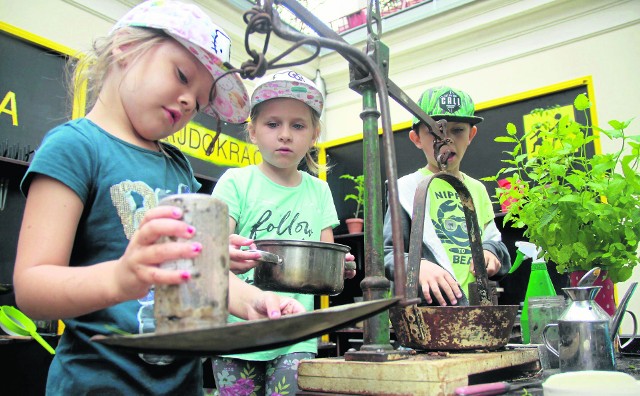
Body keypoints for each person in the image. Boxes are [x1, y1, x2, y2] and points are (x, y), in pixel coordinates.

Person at [12, 2, 305, 395]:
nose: (188, 104)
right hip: (98, 385)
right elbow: (31, 288)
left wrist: (254, 303)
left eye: (200, 103)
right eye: (181, 75)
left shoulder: (178, 167)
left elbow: (198, 279)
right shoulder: (75, 148)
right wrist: (120, 278)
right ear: (125, 48)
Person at [210, 69, 356, 396]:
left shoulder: (319, 192)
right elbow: (210, 256)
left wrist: (340, 268)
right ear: (253, 131)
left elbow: (327, 259)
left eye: (298, 125)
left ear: (314, 134)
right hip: (237, 332)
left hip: (296, 333)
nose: (285, 135)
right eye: (273, 124)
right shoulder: (235, 183)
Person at [383, 86, 510, 307]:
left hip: (477, 310)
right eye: (435, 131)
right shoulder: (406, 188)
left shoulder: (477, 190)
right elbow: (388, 255)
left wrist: (490, 252)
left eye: (457, 130)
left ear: (471, 135)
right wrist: (416, 265)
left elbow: (497, 245)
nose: (447, 140)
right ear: (416, 138)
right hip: (428, 317)